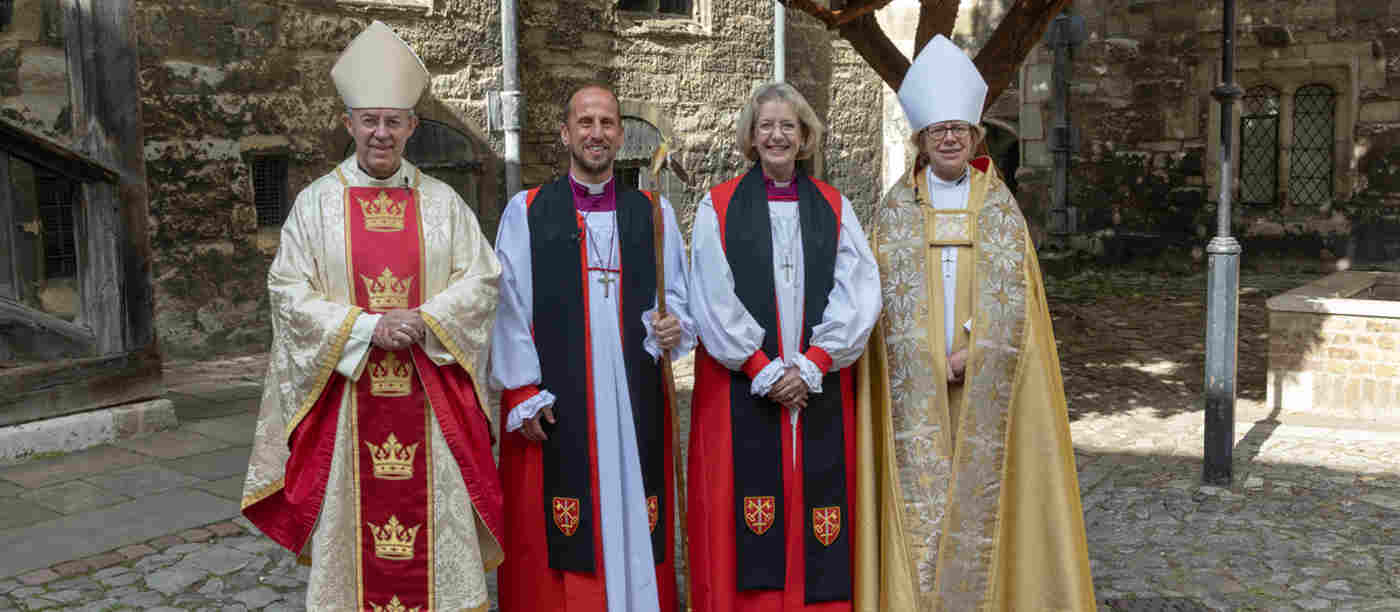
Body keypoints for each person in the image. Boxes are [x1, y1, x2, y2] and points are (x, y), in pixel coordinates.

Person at [240, 21, 504, 611]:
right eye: (369, 120)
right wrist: (367, 328)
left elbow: (484, 280)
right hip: (348, 404)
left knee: (438, 533)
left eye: (393, 121)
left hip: (428, 402)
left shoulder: (444, 203)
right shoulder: (314, 206)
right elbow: (286, 290)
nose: (380, 133)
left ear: (412, 126)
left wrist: (426, 318)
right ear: (349, 123)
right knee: (349, 542)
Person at [852, 35, 1097, 611]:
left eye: (958, 130)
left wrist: (977, 353)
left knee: (986, 498)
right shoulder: (893, 209)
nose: (948, 138)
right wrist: (924, 361)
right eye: (937, 130)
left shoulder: (1000, 207)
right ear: (921, 139)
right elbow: (873, 301)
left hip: (982, 382)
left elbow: (1017, 302)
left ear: (973, 138)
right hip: (915, 390)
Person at [492, 83, 696, 612]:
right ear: (565, 134)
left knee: (634, 502)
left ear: (621, 136)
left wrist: (672, 326)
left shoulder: (652, 214)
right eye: (585, 122)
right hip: (564, 393)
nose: (597, 133)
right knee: (566, 516)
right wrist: (523, 390)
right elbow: (506, 305)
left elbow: (675, 295)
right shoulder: (528, 211)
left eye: (607, 123)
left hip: (633, 397)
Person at [687, 82, 882, 611]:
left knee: (816, 512)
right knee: (748, 519)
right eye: (766, 126)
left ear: (805, 138)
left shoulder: (835, 207)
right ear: (751, 137)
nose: (776, 135)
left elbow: (859, 292)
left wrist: (814, 364)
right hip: (746, 388)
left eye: (787, 127)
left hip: (815, 388)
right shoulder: (718, 207)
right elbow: (711, 295)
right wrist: (765, 370)